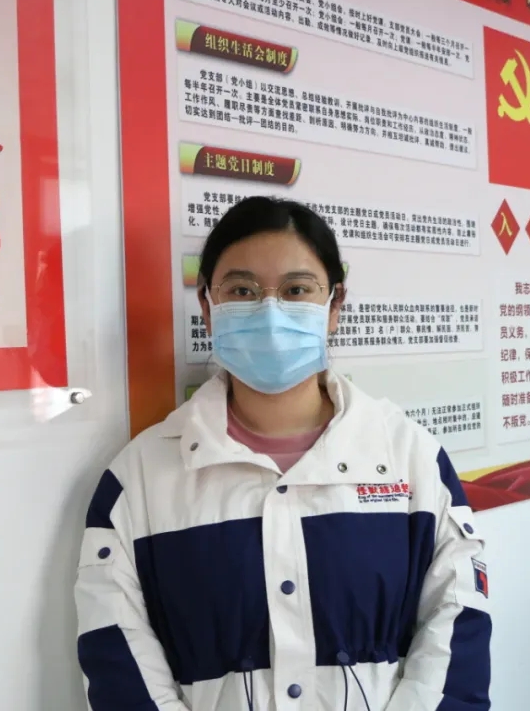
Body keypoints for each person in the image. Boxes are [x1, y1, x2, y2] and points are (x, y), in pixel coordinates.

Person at [74, 196, 492, 710]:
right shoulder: (138, 480)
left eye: (296, 290)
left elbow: (457, 624)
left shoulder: (411, 457)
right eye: (242, 290)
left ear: (334, 305)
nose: (269, 312)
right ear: (207, 307)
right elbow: (117, 657)